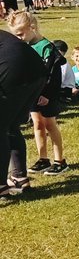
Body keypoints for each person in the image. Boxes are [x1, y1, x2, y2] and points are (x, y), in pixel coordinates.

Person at [7, 10, 68, 175]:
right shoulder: (25, 46)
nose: (18, 38)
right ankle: (43, 159)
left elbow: (53, 75)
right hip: (33, 93)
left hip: (47, 94)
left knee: (50, 124)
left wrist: (47, 95)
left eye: (20, 34)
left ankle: (60, 160)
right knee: (38, 124)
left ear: (32, 27)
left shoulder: (47, 48)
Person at [0, 24, 48, 198]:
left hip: (15, 70)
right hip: (37, 72)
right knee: (11, 126)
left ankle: (1, 186)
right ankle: (19, 177)